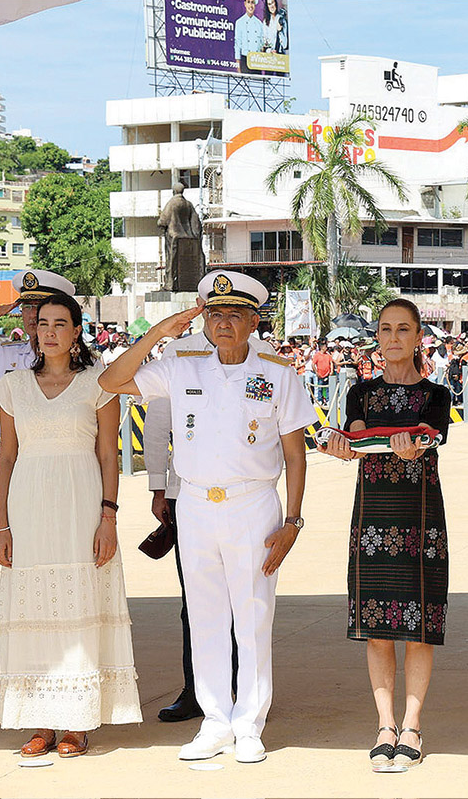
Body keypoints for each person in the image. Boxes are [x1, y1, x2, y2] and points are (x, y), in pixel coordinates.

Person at [99, 270, 316, 764]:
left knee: (253, 616)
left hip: (253, 504)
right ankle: (215, 721)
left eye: (235, 314)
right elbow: (110, 381)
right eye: (214, 314)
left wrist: (294, 521)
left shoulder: (278, 371)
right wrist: (158, 334)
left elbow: (295, 454)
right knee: (205, 617)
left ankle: (249, 724)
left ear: (254, 322)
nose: (223, 323)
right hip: (195, 503)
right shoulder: (182, 365)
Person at [0, 293, 141, 758]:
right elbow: (7, 458)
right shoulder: (13, 386)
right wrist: (1, 526)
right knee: (31, 609)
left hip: (81, 505)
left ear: (77, 331)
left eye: (60, 323)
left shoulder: (99, 383)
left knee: (79, 605)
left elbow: (108, 456)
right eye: (43, 323)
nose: (50, 331)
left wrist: (108, 517)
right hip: (28, 507)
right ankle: (40, 719)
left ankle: (76, 720)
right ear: (33, 331)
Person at [318, 299, 452, 769]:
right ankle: (384, 726)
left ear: (419, 337)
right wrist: (342, 447)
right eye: (386, 329)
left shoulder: (437, 395)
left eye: (403, 329)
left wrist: (411, 447)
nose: (393, 338)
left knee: (418, 629)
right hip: (372, 517)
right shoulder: (360, 392)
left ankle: (412, 725)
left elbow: (430, 438)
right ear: (377, 336)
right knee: (377, 630)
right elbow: (357, 439)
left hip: (420, 517)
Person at [143, 318, 273, 723]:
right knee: (197, 604)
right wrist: (158, 485)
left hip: (247, 498)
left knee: (248, 602)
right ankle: (197, 691)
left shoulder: (264, 357)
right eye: (212, 308)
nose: (221, 318)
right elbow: (158, 423)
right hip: (189, 493)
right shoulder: (178, 354)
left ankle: (247, 694)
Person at [0, 269, 79, 394]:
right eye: (27, 306)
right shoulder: (2, 356)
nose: (32, 314)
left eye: (39, 306)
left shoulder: (82, 362)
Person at [234, 0, 266, 73]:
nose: (251, 5)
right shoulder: (239, 22)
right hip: (245, 60)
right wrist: (238, 66)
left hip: (256, 61)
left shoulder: (259, 24)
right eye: (248, 2)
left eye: (252, 2)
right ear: (245, 4)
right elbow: (237, 45)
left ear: (255, 5)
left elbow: (262, 44)